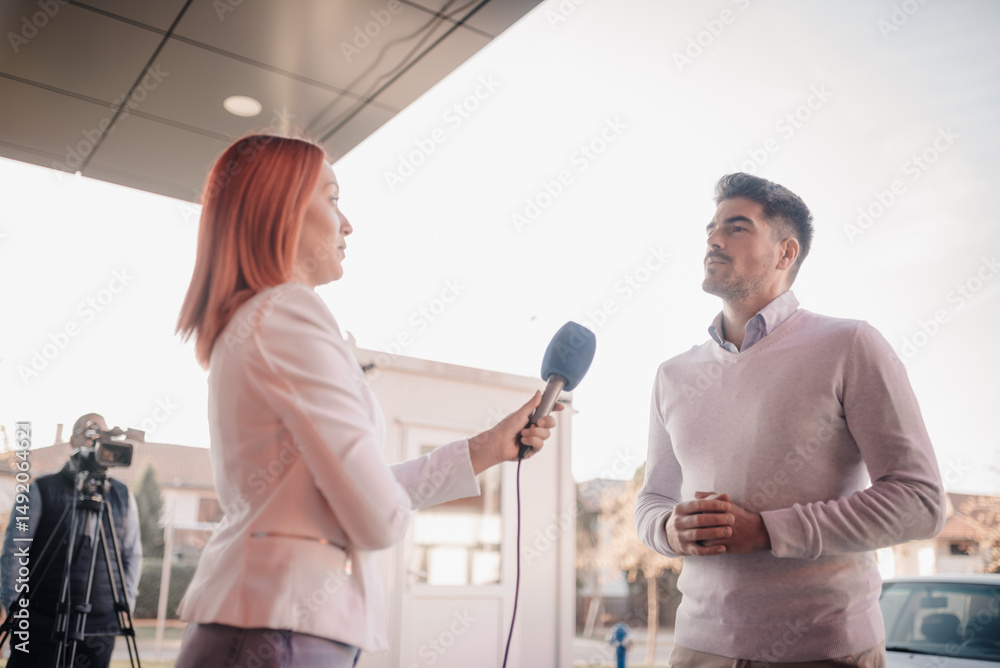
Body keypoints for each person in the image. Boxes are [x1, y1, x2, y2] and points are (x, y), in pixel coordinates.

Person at [172, 133, 560, 667]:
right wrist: (382, 511)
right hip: (278, 630)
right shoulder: (289, 313)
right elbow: (375, 512)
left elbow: (355, 491)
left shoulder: (258, 319)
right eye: (331, 198)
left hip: (268, 625)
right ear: (279, 209)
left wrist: (487, 448)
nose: (347, 223)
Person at [634, 173, 946, 667]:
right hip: (697, 649)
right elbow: (652, 500)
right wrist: (669, 530)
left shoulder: (850, 345)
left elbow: (920, 502)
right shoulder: (673, 375)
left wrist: (768, 531)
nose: (713, 239)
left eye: (736, 228)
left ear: (785, 252)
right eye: (712, 228)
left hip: (823, 650)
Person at [1, 412, 142, 668]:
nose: (94, 443)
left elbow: (132, 554)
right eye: (88, 435)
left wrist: (124, 605)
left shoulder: (122, 496)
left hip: (99, 626)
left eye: (102, 436)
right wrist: (16, 608)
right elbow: (15, 551)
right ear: (72, 441)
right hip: (40, 620)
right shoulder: (40, 489)